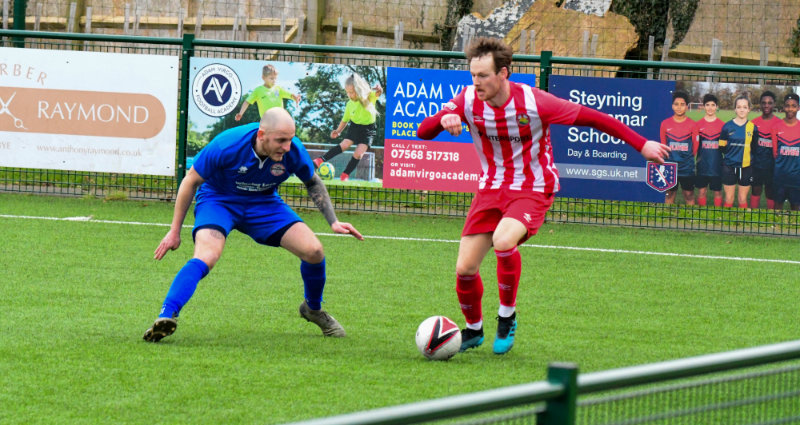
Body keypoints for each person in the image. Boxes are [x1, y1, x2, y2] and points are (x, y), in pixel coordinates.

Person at [417, 37, 670, 355]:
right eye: (473, 75)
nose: (476, 82)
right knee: (465, 268)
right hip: (491, 189)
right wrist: (442, 120)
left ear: (504, 73)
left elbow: (594, 118)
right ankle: (473, 330)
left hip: (532, 188)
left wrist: (641, 144)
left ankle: (506, 318)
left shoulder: (535, 102)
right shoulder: (467, 100)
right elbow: (422, 131)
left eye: (483, 75)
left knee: (504, 240)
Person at [143, 107, 363, 342]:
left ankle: (313, 309)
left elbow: (312, 181)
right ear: (261, 135)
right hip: (219, 200)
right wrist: (174, 231)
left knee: (314, 251)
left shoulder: (293, 150)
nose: (287, 147)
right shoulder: (226, 145)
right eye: (281, 140)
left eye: (290, 139)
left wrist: (334, 221)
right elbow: (190, 181)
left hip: (264, 203)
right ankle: (166, 316)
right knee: (207, 255)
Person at [313, 73, 383, 181]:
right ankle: (320, 160)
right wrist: (338, 131)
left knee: (359, 154)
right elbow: (345, 120)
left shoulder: (369, 97)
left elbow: (378, 93)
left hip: (368, 129)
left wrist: (379, 89)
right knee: (344, 145)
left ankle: (345, 174)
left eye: (352, 92)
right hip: (355, 127)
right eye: (347, 92)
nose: (350, 95)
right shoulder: (349, 104)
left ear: (359, 90)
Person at [719, 95, 758, 208]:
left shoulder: (753, 128)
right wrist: (732, 155)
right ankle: (726, 223)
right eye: (739, 107)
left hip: (746, 167)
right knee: (729, 198)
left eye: (745, 107)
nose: (741, 109)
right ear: (735, 109)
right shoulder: (727, 126)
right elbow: (722, 146)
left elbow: (754, 148)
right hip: (729, 167)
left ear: (749, 109)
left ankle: (743, 224)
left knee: (742, 199)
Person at [660, 90, 698, 205]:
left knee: (689, 195)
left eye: (682, 104)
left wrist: (686, 159)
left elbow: (695, 148)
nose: (679, 107)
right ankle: (667, 218)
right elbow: (663, 146)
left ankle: (692, 220)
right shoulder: (665, 124)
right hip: (670, 165)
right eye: (676, 104)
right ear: (672, 106)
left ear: (687, 107)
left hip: (687, 167)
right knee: (669, 194)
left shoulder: (693, 124)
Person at [234, 64, 301, 121]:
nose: (274, 80)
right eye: (271, 78)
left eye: (275, 78)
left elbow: (290, 95)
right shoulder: (258, 90)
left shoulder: (278, 89)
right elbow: (247, 102)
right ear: (263, 78)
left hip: (279, 119)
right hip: (266, 121)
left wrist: (295, 98)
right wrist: (240, 113)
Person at [694, 93, 725, 207]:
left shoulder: (723, 125)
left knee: (718, 192)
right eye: (707, 105)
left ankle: (717, 215)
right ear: (703, 106)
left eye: (713, 105)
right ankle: (702, 214)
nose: (710, 108)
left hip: (717, 165)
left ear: (716, 107)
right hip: (702, 165)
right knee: (702, 191)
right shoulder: (697, 125)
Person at [771, 93, 800, 211]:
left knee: (796, 208)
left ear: (798, 107)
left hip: (797, 178)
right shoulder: (776, 127)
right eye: (787, 106)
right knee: (777, 207)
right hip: (780, 177)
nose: (790, 109)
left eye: (794, 106)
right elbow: (775, 153)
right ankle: (775, 228)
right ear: (783, 107)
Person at [750, 91, 778, 209]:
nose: (766, 105)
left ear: (774, 104)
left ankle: (770, 217)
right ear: (760, 104)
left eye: (769, 103)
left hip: (772, 166)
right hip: (756, 165)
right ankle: (753, 217)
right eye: (764, 103)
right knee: (755, 190)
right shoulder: (753, 123)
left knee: (770, 192)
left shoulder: (779, 123)